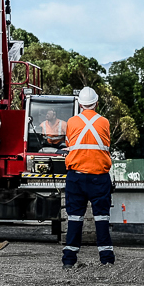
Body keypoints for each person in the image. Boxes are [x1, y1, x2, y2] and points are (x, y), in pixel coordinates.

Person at [62, 86, 114, 267]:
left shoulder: (71, 122)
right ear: (96, 103)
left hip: (76, 177)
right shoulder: (105, 122)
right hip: (100, 177)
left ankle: (69, 261)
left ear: (80, 104)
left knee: (75, 218)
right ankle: (106, 260)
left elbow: (69, 144)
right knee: (102, 218)